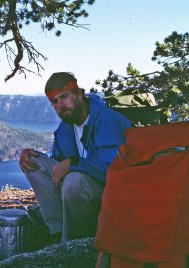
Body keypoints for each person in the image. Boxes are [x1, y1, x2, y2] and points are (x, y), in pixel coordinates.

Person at [19, 72, 131, 241]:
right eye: (54, 102)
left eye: (64, 97)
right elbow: (58, 163)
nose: (60, 105)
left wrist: (73, 163)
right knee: (33, 163)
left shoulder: (106, 119)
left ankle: (74, 243)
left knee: (74, 180)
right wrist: (29, 155)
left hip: (111, 196)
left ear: (79, 94)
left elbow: (114, 168)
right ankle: (57, 233)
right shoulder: (66, 127)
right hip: (81, 194)